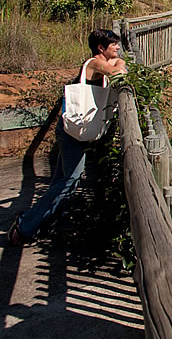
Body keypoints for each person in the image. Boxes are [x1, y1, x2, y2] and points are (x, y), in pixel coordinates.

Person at [8, 29, 127, 246]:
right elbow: (118, 73)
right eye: (114, 45)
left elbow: (118, 65)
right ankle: (25, 226)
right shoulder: (94, 64)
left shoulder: (101, 62)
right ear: (101, 48)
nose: (118, 48)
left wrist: (118, 62)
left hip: (74, 131)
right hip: (73, 134)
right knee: (71, 180)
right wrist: (119, 64)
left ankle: (48, 224)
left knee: (60, 181)